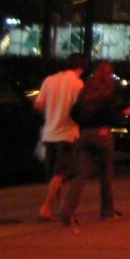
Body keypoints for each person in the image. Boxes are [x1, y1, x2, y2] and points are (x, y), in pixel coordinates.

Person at [60, 61, 130, 224]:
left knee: (81, 175)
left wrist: (83, 125)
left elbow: (74, 112)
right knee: (106, 175)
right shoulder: (109, 92)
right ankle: (107, 211)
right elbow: (111, 115)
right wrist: (125, 116)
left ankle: (67, 212)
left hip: (85, 134)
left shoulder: (86, 91)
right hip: (102, 133)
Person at [35, 52, 88, 221]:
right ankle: (46, 206)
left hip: (49, 132)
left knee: (54, 173)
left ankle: (61, 204)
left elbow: (38, 104)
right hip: (67, 132)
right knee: (60, 172)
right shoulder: (78, 84)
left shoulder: (49, 80)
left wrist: (51, 111)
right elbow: (80, 109)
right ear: (81, 68)